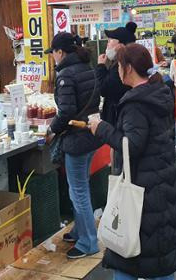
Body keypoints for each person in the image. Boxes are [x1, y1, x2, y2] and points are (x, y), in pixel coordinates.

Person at [88, 43, 176, 280]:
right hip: (165, 179)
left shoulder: (135, 104)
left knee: (128, 258)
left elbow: (131, 145)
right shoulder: (159, 92)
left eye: (119, 67)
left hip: (143, 186)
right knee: (161, 253)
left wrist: (102, 129)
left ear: (129, 68)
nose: (117, 71)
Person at [47, 32, 101, 259]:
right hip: (90, 133)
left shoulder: (66, 74)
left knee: (78, 190)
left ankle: (89, 242)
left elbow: (67, 111)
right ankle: (80, 230)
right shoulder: (87, 68)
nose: (53, 58)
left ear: (60, 52)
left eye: (53, 54)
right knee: (80, 187)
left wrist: (52, 128)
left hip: (76, 140)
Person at [96, 23, 136, 128]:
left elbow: (104, 89)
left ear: (121, 45)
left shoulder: (122, 65)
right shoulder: (121, 62)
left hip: (118, 117)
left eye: (110, 41)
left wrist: (101, 66)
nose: (107, 44)